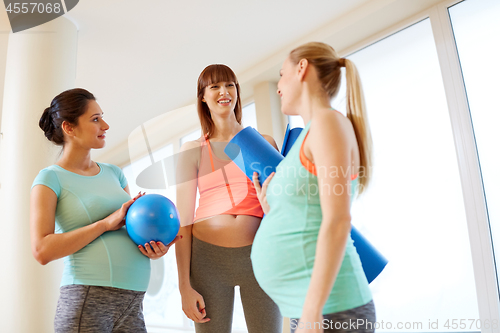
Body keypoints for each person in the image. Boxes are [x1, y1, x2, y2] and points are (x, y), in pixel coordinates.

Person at [30, 88, 180, 333]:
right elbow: (41, 250)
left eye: (102, 117)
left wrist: (152, 249)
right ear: (69, 128)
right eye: (95, 119)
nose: (106, 125)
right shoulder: (50, 178)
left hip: (133, 299)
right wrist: (104, 224)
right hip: (88, 297)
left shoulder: (114, 173)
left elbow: (130, 228)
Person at [251, 42, 376, 333]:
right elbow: (311, 209)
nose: (279, 86)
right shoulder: (312, 131)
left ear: (302, 68)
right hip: (310, 306)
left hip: (332, 308)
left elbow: (338, 220)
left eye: (282, 75)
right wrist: (275, 208)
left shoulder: (328, 123)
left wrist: (312, 311)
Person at [175, 64, 283, 333]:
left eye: (230, 85)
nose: (224, 92)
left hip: (259, 257)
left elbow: (281, 209)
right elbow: (182, 222)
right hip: (207, 261)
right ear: (203, 96)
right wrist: (184, 287)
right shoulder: (192, 150)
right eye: (214, 87)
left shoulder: (264, 142)